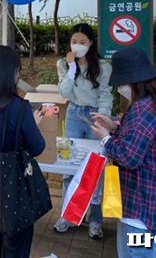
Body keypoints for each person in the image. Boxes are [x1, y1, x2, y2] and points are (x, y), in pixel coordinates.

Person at [91, 47, 156, 258]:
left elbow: (129, 157)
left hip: (141, 211)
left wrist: (105, 138)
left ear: (134, 82)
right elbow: (146, 140)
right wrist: (116, 128)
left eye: (122, 84)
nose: (120, 89)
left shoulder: (144, 110)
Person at [0, 45, 46, 258]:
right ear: (12, 73)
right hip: (11, 191)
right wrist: (33, 123)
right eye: (17, 70)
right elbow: (37, 147)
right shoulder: (19, 107)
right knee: (15, 250)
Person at [54, 23, 113, 239]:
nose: (77, 46)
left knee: (97, 167)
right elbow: (64, 93)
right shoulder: (63, 63)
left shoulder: (103, 66)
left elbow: (106, 94)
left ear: (91, 43)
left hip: (96, 115)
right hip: (74, 114)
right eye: (74, 41)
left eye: (82, 42)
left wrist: (103, 116)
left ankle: (95, 219)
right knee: (70, 165)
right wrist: (71, 68)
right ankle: (69, 215)